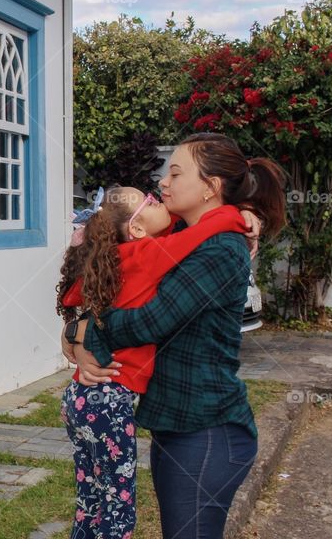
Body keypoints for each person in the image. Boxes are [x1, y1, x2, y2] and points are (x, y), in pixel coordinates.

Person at [68, 133, 287, 539]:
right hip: (178, 428)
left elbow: (152, 321)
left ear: (210, 187)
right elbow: (116, 285)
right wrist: (75, 328)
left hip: (207, 432)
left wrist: (85, 332)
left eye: (175, 173)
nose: (163, 183)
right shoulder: (180, 235)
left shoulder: (222, 248)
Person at [57, 185, 251, 538]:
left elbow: (72, 295)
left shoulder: (112, 258)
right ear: (136, 228)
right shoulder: (147, 254)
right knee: (118, 512)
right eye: (150, 200)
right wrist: (235, 215)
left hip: (81, 398)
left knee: (90, 504)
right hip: (109, 401)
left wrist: (74, 329)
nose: (158, 197)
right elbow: (198, 233)